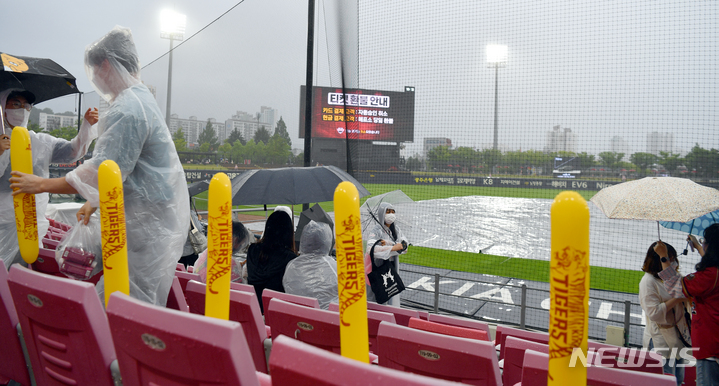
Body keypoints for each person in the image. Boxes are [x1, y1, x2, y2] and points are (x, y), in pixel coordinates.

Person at [10, 27, 189, 306]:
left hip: (144, 230)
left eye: (94, 72)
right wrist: (94, 202)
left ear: (105, 65)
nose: (96, 80)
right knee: (121, 304)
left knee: (128, 311)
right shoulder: (138, 100)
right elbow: (121, 169)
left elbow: (101, 171)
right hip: (144, 226)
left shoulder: (128, 108)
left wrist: (41, 184)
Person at [0, 89, 97, 268]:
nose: (22, 109)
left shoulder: (38, 141)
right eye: (15, 104)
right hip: (2, 223)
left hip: (31, 223)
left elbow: (72, 152)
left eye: (26, 106)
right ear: (2, 106)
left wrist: (86, 126)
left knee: (21, 270)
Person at [657, 223, 719, 386]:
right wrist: (698, 246)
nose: (703, 244)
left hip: (711, 349)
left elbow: (674, 287)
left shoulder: (710, 276)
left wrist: (663, 257)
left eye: (705, 242)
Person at [639, 241, 689, 385]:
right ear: (657, 260)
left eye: (672, 258)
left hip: (678, 336)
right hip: (659, 338)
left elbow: (684, 290)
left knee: (679, 380)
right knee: (666, 380)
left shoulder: (673, 277)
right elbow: (654, 312)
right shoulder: (648, 282)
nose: (672, 262)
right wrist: (677, 298)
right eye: (667, 258)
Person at [246, 210, 297, 312]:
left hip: (253, 310)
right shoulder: (290, 259)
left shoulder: (253, 249)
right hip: (277, 313)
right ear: (288, 232)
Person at [282, 220, 338, 309]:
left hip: (298, 318)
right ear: (328, 241)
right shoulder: (335, 268)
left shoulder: (291, 266)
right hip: (327, 320)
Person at [364, 202, 409, 306]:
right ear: (382, 214)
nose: (391, 214)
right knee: (376, 297)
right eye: (388, 212)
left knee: (391, 292)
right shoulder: (376, 230)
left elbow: (404, 246)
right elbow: (371, 249)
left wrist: (390, 244)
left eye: (393, 212)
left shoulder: (396, 230)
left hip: (390, 267)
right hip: (377, 269)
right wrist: (393, 248)